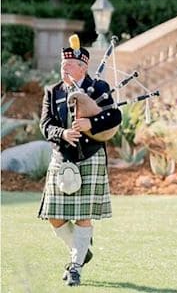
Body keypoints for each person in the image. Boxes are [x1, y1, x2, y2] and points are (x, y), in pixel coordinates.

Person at [38, 34, 122, 286]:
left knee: (83, 216)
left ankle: (75, 266)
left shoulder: (99, 89)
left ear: (83, 67)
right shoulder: (52, 92)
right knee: (53, 216)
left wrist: (90, 123)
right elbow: (45, 124)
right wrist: (62, 133)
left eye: (69, 65)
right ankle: (81, 248)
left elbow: (115, 117)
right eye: (62, 65)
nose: (64, 68)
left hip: (90, 155)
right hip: (62, 157)